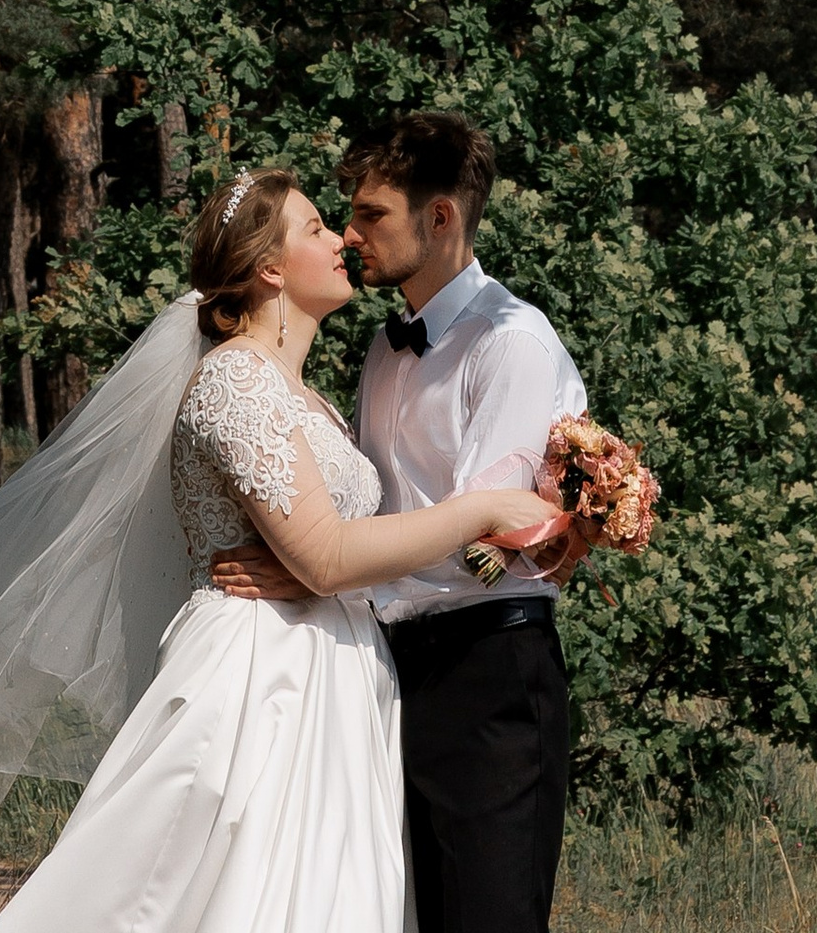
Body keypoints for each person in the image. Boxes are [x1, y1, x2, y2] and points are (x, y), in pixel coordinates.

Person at [0, 163, 564, 933]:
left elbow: (329, 555)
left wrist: (325, 568)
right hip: (257, 678)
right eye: (315, 227)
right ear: (270, 267)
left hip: (337, 677)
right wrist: (479, 510)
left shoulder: (311, 395)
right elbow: (327, 555)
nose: (341, 237)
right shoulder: (234, 380)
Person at [210, 111, 587, 933]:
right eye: (345, 209)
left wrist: (328, 566)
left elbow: (483, 550)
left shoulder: (511, 343)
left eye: (372, 212)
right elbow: (378, 516)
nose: (351, 231)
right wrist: (328, 564)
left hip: (488, 672)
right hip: (382, 676)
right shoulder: (384, 352)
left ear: (441, 217)